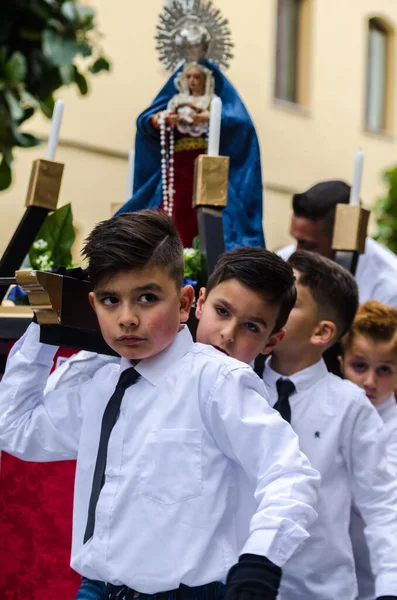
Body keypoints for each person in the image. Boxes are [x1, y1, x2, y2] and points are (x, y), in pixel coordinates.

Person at [0, 210, 320, 600]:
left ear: (186, 302)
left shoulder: (216, 381)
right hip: (96, 588)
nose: (127, 319)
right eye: (110, 300)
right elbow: (15, 428)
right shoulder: (101, 381)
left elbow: (289, 474)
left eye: (147, 298)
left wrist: (261, 561)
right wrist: (44, 325)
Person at [262, 250, 397, 600]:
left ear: (322, 332)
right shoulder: (238, 385)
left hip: (318, 588)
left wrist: (389, 588)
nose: (270, 307)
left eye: (288, 301)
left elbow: (381, 505)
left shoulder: (350, 406)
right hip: (235, 583)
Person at [117, 60, 265, 251]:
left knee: (211, 218)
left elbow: (242, 126)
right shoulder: (174, 100)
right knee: (171, 213)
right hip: (176, 171)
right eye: (189, 77)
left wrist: (211, 118)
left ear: (206, 79)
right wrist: (160, 120)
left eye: (197, 77)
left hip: (207, 170)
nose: (193, 81)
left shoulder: (214, 102)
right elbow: (147, 120)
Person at [339, 301, 397, 600]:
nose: (370, 382)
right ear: (341, 362)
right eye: (360, 366)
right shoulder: (328, 413)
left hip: (384, 574)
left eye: (384, 370)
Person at [277, 180, 397, 308]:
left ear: (343, 237)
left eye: (308, 245)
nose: (297, 252)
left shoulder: (389, 286)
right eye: (296, 240)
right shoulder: (283, 260)